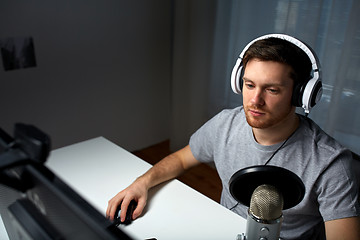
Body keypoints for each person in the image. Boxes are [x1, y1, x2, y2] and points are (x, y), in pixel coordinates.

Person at [106, 34, 360, 239]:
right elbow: (182, 160)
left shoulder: (331, 163)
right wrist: (142, 182)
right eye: (249, 85)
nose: (255, 100)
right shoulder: (226, 124)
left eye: (272, 90)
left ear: (301, 95)